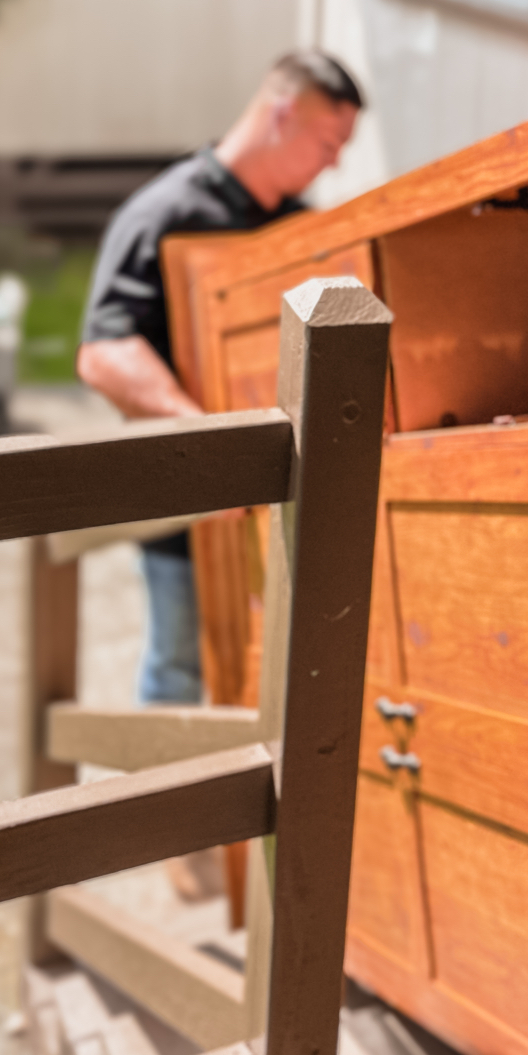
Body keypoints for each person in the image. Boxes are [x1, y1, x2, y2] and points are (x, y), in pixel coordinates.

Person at [78, 48, 363, 705]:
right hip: (183, 498)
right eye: (329, 139)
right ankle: (160, 806)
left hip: (281, 501)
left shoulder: (299, 225)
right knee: (179, 669)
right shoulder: (163, 215)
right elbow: (102, 352)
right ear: (283, 114)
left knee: (276, 672)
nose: (335, 160)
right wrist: (210, 440)